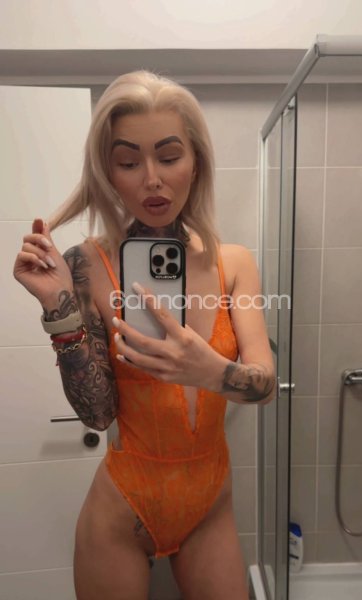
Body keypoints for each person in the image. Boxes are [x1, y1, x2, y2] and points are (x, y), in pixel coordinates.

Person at [13, 70, 276, 600]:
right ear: (108, 172)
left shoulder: (235, 264)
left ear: (196, 161)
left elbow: (265, 384)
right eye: (129, 162)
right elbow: (98, 414)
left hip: (210, 505)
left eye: (169, 156)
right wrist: (59, 310)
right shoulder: (86, 265)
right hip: (122, 508)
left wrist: (208, 371)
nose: (152, 179)